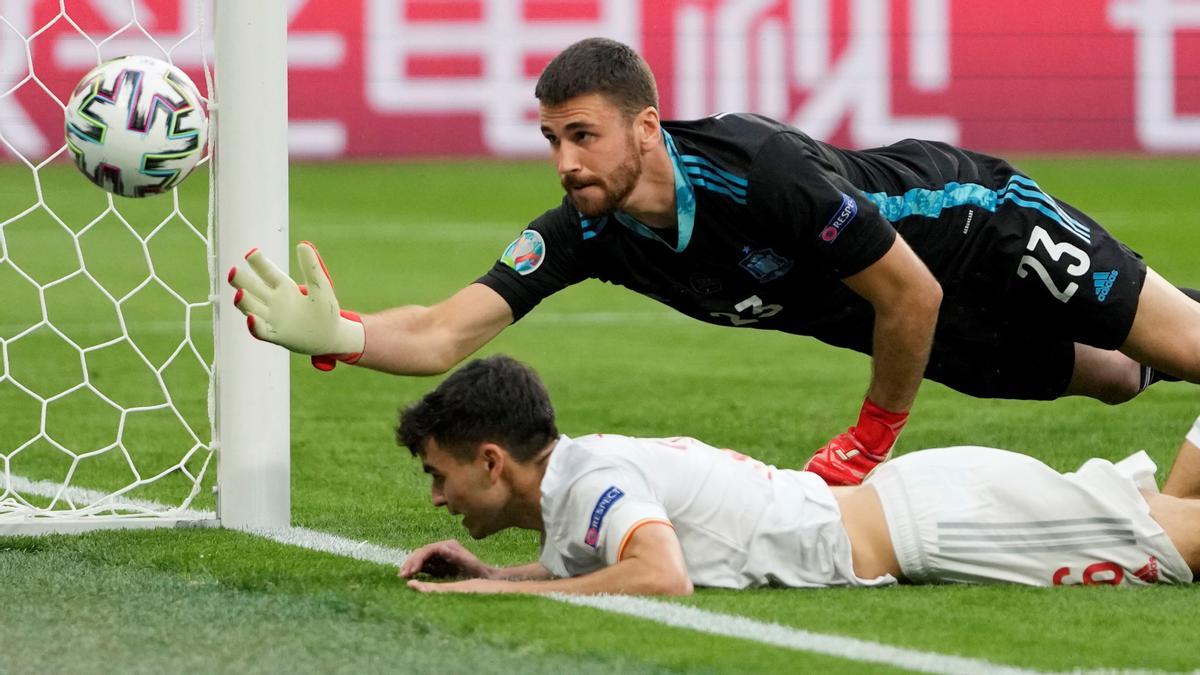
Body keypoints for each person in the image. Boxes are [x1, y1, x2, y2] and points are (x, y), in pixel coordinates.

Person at [227, 37, 1200, 493]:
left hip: (975, 223)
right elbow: (448, 327)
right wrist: (344, 335)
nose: (564, 161)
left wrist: (870, 437)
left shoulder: (761, 173)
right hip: (898, 315)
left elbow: (911, 288)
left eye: (583, 136)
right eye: (551, 139)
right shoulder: (589, 231)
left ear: (646, 130)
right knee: (1116, 381)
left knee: (1188, 346)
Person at [394, 355, 1198, 595]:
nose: (436, 496)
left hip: (946, 524)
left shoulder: (593, 475)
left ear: (491, 460)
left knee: (1181, 543)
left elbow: (661, 575)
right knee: (1175, 517)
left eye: (439, 474)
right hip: (920, 509)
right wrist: (498, 567)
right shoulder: (583, 483)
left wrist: (497, 590)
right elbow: (613, 552)